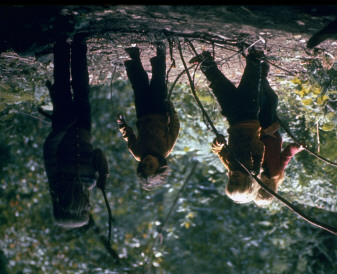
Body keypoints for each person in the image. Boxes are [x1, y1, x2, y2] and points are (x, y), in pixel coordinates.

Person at [41, 34, 109, 228]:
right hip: (85, 127)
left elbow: (50, 150)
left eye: (84, 209)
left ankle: (61, 43)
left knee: (62, 86)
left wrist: (62, 129)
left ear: (72, 208)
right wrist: (103, 174)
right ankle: (80, 45)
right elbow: (98, 154)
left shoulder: (57, 181)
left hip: (64, 124)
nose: (88, 205)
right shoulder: (90, 182)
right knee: (82, 89)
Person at [190, 48, 265, 204]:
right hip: (249, 116)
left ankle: (206, 62)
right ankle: (255, 57)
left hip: (233, 119)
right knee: (250, 84)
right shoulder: (251, 165)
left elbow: (217, 151)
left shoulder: (230, 164)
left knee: (220, 88)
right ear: (247, 181)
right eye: (238, 183)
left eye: (231, 182)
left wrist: (218, 143)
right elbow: (258, 145)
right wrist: (256, 163)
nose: (234, 179)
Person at [117, 43, 180, 191]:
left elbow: (129, 137)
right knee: (158, 81)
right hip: (160, 111)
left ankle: (134, 56)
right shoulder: (165, 149)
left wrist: (122, 124)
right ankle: (160, 52)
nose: (147, 162)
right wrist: (172, 111)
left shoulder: (138, 152)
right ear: (160, 165)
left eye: (145, 166)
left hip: (143, 113)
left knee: (139, 85)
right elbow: (174, 129)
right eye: (151, 166)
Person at [255, 61, 305, 207]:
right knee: (271, 101)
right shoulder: (276, 173)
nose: (268, 186)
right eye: (270, 190)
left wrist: (264, 133)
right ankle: (261, 75)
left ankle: (259, 72)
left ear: (258, 187)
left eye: (263, 189)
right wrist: (298, 147)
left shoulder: (254, 170)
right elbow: (287, 154)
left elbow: (250, 143)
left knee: (265, 101)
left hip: (260, 130)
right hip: (274, 132)